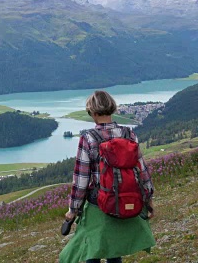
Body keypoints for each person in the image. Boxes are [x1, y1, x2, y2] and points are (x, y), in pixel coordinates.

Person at [59, 91, 156, 263]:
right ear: (111, 108)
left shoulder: (88, 138)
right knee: (113, 249)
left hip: (99, 203)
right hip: (125, 199)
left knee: (92, 250)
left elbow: (81, 180)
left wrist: (73, 210)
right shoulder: (128, 134)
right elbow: (142, 170)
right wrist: (148, 199)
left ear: (93, 112)